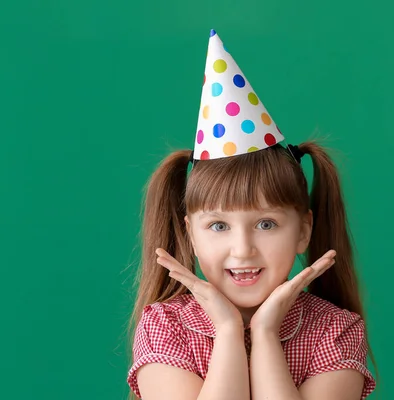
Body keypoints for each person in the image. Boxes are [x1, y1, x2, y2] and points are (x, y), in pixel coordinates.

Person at [126, 29, 377, 400]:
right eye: (218, 225)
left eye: (265, 224)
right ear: (191, 234)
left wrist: (265, 334)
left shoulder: (334, 331)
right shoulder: (166, 326)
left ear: (303, 230)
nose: (242, 250)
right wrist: (227, 331)